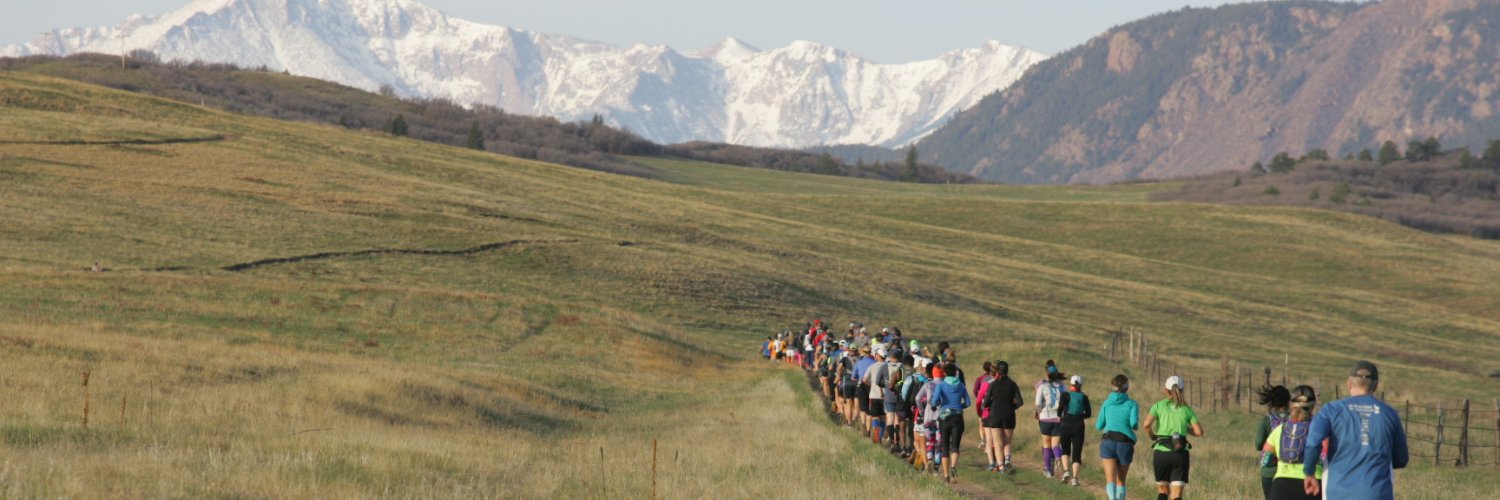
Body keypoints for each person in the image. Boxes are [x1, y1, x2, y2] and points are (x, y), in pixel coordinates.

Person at [1302, 361, 1408, 500]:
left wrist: (1309, 472)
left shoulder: (1331, 410)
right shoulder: (1390, 414)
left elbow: (1313, 442)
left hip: (1338, 493)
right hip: (1377, 494)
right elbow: (1401, 459)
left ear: (1349, 383)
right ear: (1376, 385)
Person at [1143, 375, 1205, 500]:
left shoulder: (1158, 406)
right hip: (1180, 453)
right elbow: (1199, 432)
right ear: (1182, 390)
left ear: (1166, 390)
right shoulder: (1187, 409)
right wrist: (1187, 429)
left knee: (1163, 491)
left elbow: (1146, 424)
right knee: (1176, 495)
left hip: (1161, 452)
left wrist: (1152, 436)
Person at [1263, 386, 1321, 500]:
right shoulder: (1320, 429)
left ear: (1291, 405)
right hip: (1312, 485)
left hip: (1281, 486)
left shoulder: (1280, 429)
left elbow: (1266, 459)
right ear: (1313, 405)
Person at [1097, 374, 1140, 500]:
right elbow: (1134, 424)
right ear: (1127, 388)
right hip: (1125, 443)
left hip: (1108, 441)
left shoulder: (1106, 403)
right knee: (1121, 480)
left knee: (1110, 480)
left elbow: (1099, 425)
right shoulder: (1132, 404)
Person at [929, 362, 971, 483]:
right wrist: (959, 406)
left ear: (945, 373)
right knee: (955, 446)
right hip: (958, 417)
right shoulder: (961, 385)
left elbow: (935, 401)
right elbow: (968, 402)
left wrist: (935, 405)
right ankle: (953, 467)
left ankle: (946, 475)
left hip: (945, 418)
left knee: (945, 446)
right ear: (956, 373)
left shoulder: (941, 385)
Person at [980, 360, 1024, 474]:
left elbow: (985, 403)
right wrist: (1011, 407)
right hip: (1009, 415)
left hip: (995, 415)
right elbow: (1020, 402)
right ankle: (1008, 459)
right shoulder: (1012, 384)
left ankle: (1001, 467)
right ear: (1007, 370)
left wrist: (991, 405)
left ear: (997, 371)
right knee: (1007, 441)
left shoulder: (992, 384)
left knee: (998, 444)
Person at [1254, 385, 1292, 499]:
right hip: (1290, 470)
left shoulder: (1267, 420)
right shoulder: (1295, 420)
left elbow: (1258, 444)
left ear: (1272, 402)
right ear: (1288, 401)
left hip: (1269, 470)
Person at [1057, 374, 1093, 486]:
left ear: (1071, 384)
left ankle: (1066, 472)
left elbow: (1059, 411)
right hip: (1078, 426)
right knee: (1077, 453)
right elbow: (1088, 413)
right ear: (1081, 385)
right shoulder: (1084, 397)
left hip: (1065, 424)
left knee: (1065, 450)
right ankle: (1075, 479)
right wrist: (1079, 416)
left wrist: (1063, 417)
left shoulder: (1065, 395)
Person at [1035, 360, 1067, 478]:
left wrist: (1038, 413)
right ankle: (1058, 457)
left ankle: (1048, 470)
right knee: (1056, 445)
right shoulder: (1063, 386)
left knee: (1046, 445)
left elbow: (1038, 403)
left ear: (1047, 374)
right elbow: (1068, 401)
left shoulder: (1043, 386)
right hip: (1058, 418)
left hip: (1045, 418)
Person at [863, 348, 891, 445]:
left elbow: (864, 380)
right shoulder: (889, 366)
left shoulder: (872, 366)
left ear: (877, 356)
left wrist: (871, 385)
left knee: (875, 417)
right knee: (883, 418)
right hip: (886, 396)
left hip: (874, 395)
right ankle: (879, 438)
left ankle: (876, 434)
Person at [974, 361, 995, 459]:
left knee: (982, 425)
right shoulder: (993, 379)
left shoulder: (980, 379)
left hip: (983, 404)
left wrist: (979, 397)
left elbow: (975, 390)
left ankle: (984, 441)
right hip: (994, 406)